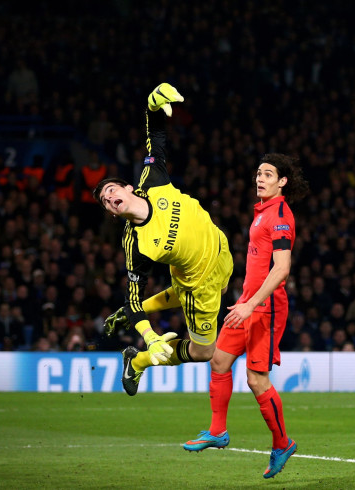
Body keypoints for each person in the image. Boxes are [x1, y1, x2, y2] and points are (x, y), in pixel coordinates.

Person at [94, 83, 233, 396]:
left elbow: (155, 138)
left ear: (128, 188)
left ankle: (135, 321)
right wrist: (150, 337)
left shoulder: (152, 180)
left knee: (224, 285)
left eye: (112, 190)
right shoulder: (137, 244)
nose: (111, 197)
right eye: (105, 200)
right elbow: (132, 294)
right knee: (204, 353)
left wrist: (152, 106)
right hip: (199, 286)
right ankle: (139, 362)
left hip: (221, 247)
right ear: (112, 213)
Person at [182, 153, 308, 480]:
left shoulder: (280, 215)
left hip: (265, 308)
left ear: (283, 182)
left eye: (268, 174)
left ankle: (282, 443)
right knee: (219, 361)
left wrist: (250, 305)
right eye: (258, 174)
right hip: (247, 303)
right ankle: (217, 431)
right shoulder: (261, 213)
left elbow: (282, 269)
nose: (260, 178)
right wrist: (244, 300)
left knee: (256, 380)